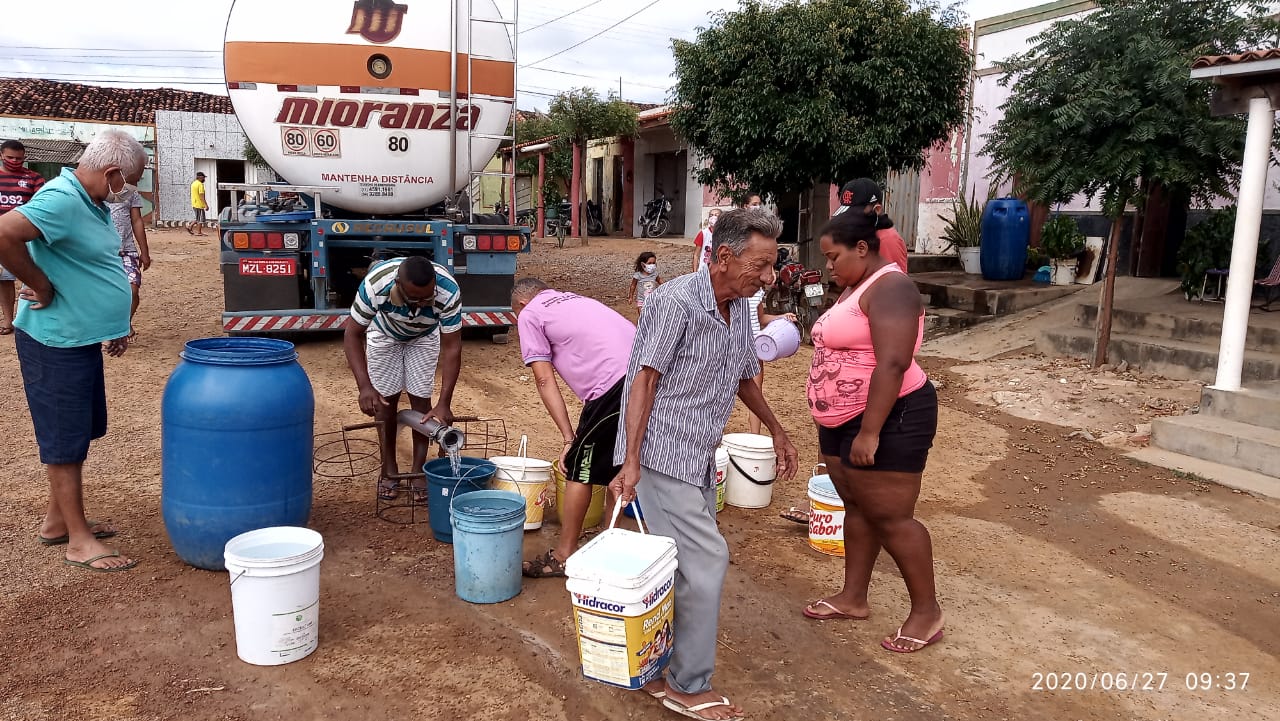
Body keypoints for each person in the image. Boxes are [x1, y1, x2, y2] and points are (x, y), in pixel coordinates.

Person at [610, 207, 799, 721]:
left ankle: (655, 669)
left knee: (672, 565)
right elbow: (642, 381)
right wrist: (629, 462)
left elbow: (742, 375)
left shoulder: (739, 305)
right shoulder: (674, 303)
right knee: (706, 558)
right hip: (658, 452)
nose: (766, 277)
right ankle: (686, 686)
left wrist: (778, 429)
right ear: (721, 256)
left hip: (696, 455)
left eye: (770, 267)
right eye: (758, 266)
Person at [0, 129, 147, 572]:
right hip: (53, 340)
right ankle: (79, 540)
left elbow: (91, 267)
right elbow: (5, 232)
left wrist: (116, 323)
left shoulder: (93, 202)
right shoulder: (62, 199)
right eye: (130, 181)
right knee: (64, 440)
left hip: (78, 338)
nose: (129, 190)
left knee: (79, 431)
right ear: (113, 172)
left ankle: (56, 522)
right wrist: (41, 284)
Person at [802, 211, 943, 654]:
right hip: (842, 420)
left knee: (890, 516)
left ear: (862, 248)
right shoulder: (855, 287)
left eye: (833, 256)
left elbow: (894, 362)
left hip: (891, 416)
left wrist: (870, 431)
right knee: (856, 506)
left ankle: (927, 612)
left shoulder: (894, 287)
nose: (828, 266)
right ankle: (853, 597)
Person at [510, 278, 635, 577]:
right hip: (647, 377)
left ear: (521, 305)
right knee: (621, 467)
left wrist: (569, 437)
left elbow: (543, 379)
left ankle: (564, 555)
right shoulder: (574, 300)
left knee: (580, 466)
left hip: (613, 387)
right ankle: (608, 545)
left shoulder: (530, 313)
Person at [343, 255, 463, 503]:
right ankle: (389, 469)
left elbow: (453, 347)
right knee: (385, 402)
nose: (420, 304)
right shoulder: (375, 284)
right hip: (384, 333)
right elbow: (352, 335)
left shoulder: (448, 291)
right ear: (398, 283)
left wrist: (445, 402)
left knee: (422, 405)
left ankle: (419, 471)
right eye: (414, 298)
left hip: (424, 337)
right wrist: (365, 387)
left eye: (426, 298)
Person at [0, 140, 48, 335]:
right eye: (10, 157)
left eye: (19, 158)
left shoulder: (34, 179)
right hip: (2, 237)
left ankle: (30, 321)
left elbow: (44, 205)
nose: (14, 161)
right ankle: (8, 320)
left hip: (28, 238)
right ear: (1, 155)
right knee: (4, 280)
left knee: (33, 277)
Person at [832, 178, 909, 273]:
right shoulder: (865, 235)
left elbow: (893, 282)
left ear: (876, 210)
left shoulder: (887, 240)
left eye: (855, 214)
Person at [106, 183, 151, 340]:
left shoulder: (131, 192)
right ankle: (109, 329)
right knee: (106, 294)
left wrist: (144, 252)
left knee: (133, 291)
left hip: (127, 251)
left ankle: (124, 323)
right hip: (103, 253)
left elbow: (137, 220)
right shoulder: (96, 189)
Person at [188, 171, 208, 236]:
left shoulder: (193, 183)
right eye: (203, 177)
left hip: (194, 203)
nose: (204, 179)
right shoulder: (200, 184)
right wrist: (206, 205)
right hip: (199, 204)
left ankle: (190, 227)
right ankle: (198, 232)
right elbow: (201, 196)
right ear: (200, 177)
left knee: (198, 218)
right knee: (200, 219)